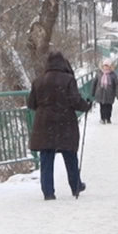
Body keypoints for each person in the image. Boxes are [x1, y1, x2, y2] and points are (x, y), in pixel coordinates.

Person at [27, 50, 91, 200]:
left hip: (44, 124)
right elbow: (75, 101)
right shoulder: (68, 80)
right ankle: (75, 186)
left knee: (46, 158)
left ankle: (48, 192)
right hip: (65, 122)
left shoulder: (38, 81)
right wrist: (86, 106)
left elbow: (31, 104)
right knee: (70, 155)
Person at [92, 58, 118, 123]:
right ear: (102, 66)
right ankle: (102, 118)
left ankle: (108, 118)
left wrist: (117, 94)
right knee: (102, 107)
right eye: (105, 66)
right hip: (100, 93)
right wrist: (93, 92)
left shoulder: (113, 75)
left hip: (110, 94)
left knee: (109, 107)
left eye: (107, 66)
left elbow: (116, 85)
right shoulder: (99, 73)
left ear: (110, 66)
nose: (106, 67)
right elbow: (94, 83)